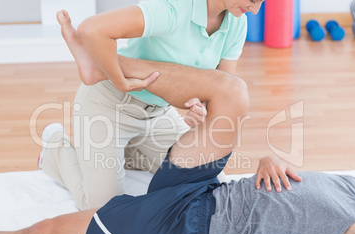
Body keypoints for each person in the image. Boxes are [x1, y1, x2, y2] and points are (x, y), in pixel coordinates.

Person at [0, 72, 355, 234]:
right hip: (210, 185)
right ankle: (108, 64)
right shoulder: (349, 185)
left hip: (188, 225)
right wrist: (268, 159)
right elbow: (284, 184)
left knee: (43, 233)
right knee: (230, 96)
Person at [39, 0, 265, 210]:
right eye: (254, 0)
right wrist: (120, 81)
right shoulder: (175, 7)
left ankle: (123, 149)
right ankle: (54, 149)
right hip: (108, 107)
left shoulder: (237, 23)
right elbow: (91, 29)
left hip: (158, 115)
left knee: (209, 186)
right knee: (104, 211)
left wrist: (200, 111)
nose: (256, 10)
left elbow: (220, 87)